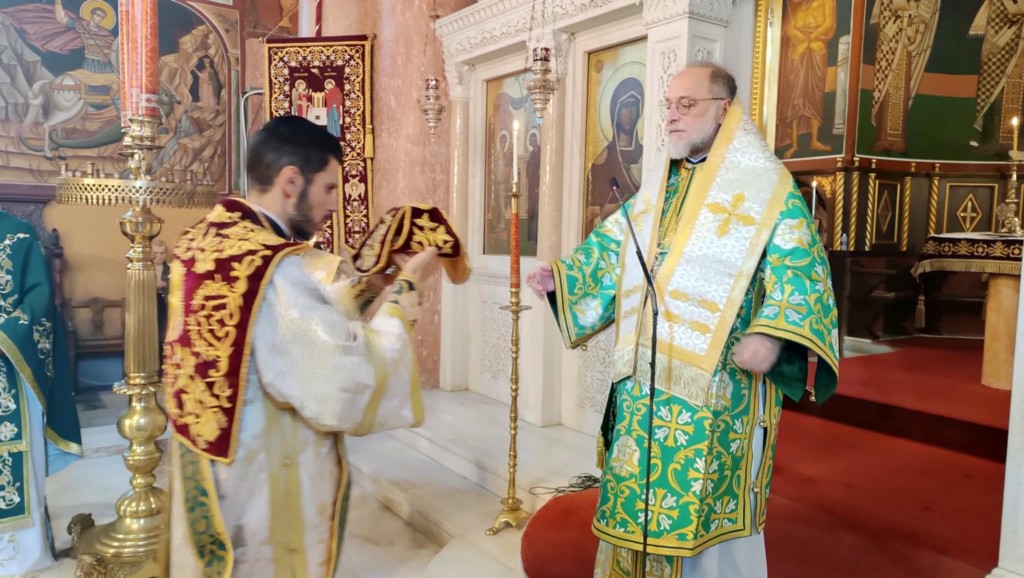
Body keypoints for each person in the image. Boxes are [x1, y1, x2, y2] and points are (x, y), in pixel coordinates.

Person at [526, 63, 839, 577]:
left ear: (723, 110)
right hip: (643, 383)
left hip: (717, 388)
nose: (671, 115)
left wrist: (769, 333)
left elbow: (802, 270)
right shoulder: (665, 182)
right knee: (635, 499)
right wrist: (565, 278)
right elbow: (617, 243)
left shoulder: (765, 186)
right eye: (668, 105)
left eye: (686, 104)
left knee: (698, 511)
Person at [165, 115, 440, 577]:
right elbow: (342, 377)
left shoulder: (206, 240)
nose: (333, 204)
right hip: (260, 480)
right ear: (291, 181)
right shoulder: (273, 266)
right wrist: (406, 288)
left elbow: (274, 326)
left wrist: (368, 287)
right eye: (329, 188)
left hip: (210, 466)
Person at [0, 211, 82, 577]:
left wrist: (5, 336)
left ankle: (16, 553)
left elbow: (39, 300)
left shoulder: (17, 235)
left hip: (9, 367)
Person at [153, 239, 169, 346]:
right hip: (150, 301)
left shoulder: (170, 268)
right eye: (156, 253)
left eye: (162, 253)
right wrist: (153, 285)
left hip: (164, 301)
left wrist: (167, 284)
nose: (159, 256)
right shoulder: (145, 268)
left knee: (163, 329)